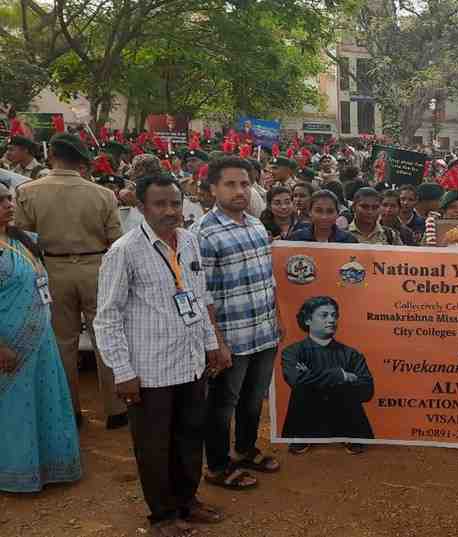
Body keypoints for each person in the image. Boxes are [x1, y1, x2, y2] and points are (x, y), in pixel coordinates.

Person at [95, 173, 226, 535]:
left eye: (175, 203)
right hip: (149, 370)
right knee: (154, 446)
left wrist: (211, 344)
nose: (170, 211)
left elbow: (196, 297)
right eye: (160, 204)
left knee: (189, 437)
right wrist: (122, 371)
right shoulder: (124, 252)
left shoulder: (189, 241)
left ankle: (187, 500)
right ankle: (163, 516)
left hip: (190, 362)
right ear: (141, 207)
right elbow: (106, 317)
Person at [14, 133, 127, 429]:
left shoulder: (28, 191)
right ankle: (115, 408)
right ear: (81, 161)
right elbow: (116, 240)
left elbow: (23, 237)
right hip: (97, 267)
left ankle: (70, 409)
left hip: (52, 269)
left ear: (51, 155)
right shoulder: (102, 194)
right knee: (106, 338)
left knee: (63, 342)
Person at [196, 157, 281, 490]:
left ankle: (245, 450)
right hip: (231, 339)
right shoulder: (203, 233)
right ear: (213, 188)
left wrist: (277, 321)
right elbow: (200, 294)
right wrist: (216, 340)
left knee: (252, 399)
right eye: (230, 184)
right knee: (222, 405)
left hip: (263, 332)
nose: (239, 190)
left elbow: (266, 281)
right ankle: (217, 466)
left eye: (244, 183)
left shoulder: (256, 225)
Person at [0, 182, 82, 493]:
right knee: (14, 407)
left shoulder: (23, 240)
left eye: (9, 198)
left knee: (44, 399)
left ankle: (50, 466)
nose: (9, 204)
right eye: (1, 201)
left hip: (41, 339)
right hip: (9, 343)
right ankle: (14, 472)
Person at [281, 296, 374, 442]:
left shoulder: (352, 354)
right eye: (324, 315)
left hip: (349, 426)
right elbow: (296, 381)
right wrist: (342, 376)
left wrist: (310, 377)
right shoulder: (292, 352)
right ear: (307, 320)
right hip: (304, 425)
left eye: (334, 316)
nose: (331, 320)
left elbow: (367, 390)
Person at [287, 190, 360, 243]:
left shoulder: (349, 241)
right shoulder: (296, 239)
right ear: (310, 212)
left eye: (330, 211)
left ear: (337, 214)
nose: (324, 217)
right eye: (318, 211)